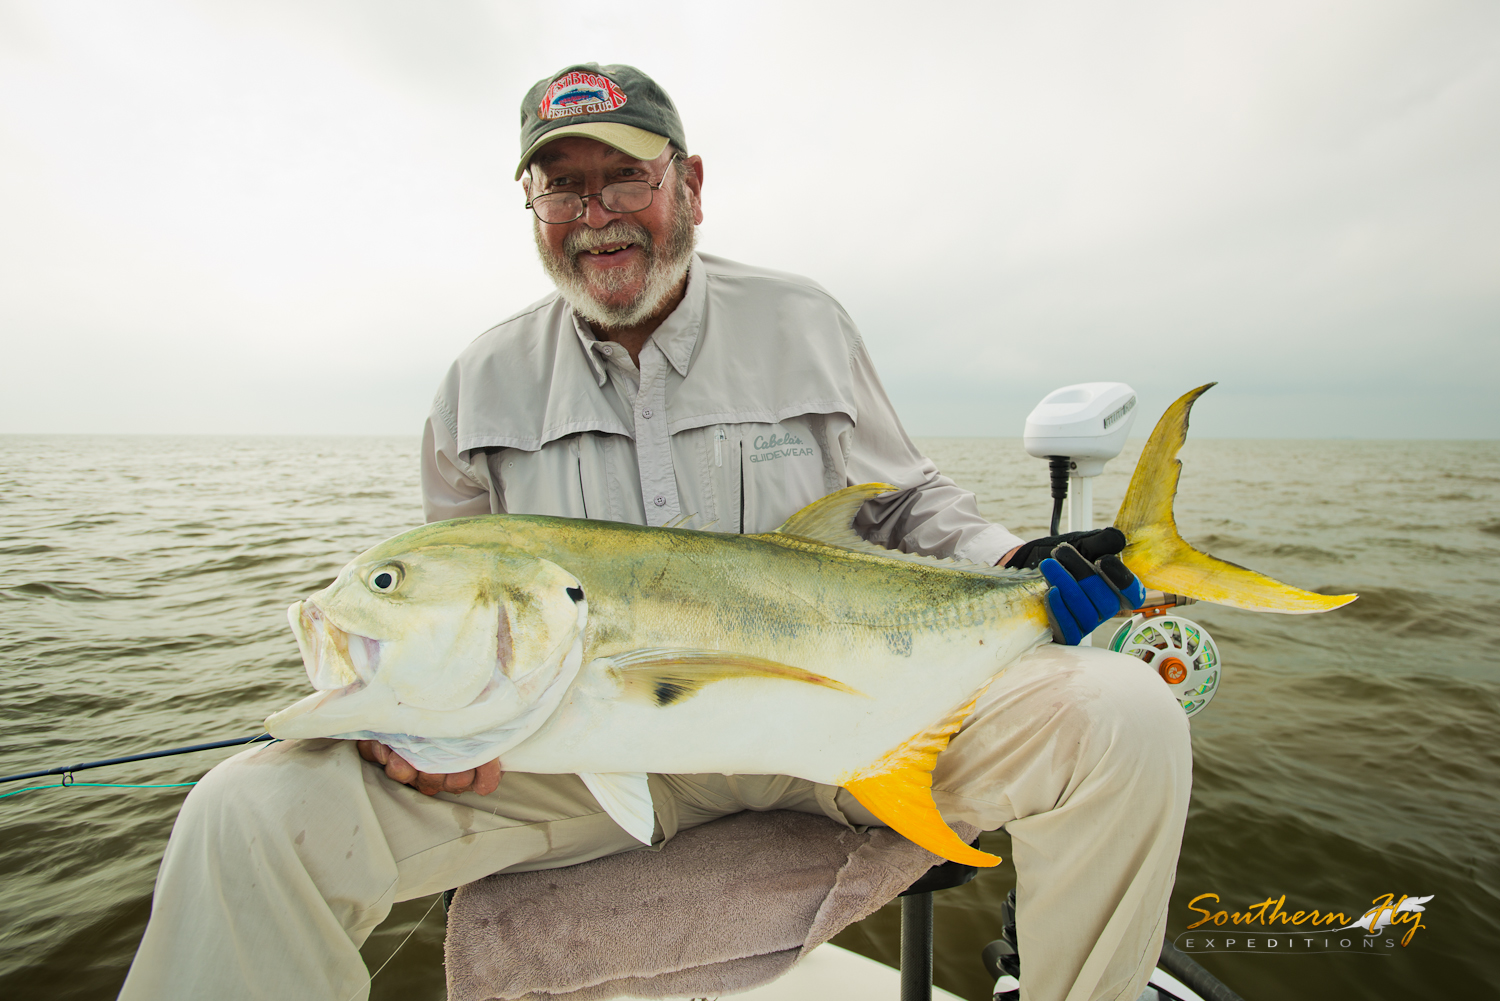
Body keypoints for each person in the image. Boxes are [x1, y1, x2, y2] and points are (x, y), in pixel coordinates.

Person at [119, 63, 1191, 1001]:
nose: (597, 214)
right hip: (586, 757)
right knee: (246, 813)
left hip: (846, 721)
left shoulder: (801, 322)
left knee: (1125, 713)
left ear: (689, 184)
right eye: (561, 185)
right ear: (530, 204)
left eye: (624, 175)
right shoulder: (478, 384)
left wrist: (1018, 562)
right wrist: (420, 727)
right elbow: (463, 594)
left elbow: (907, 501)